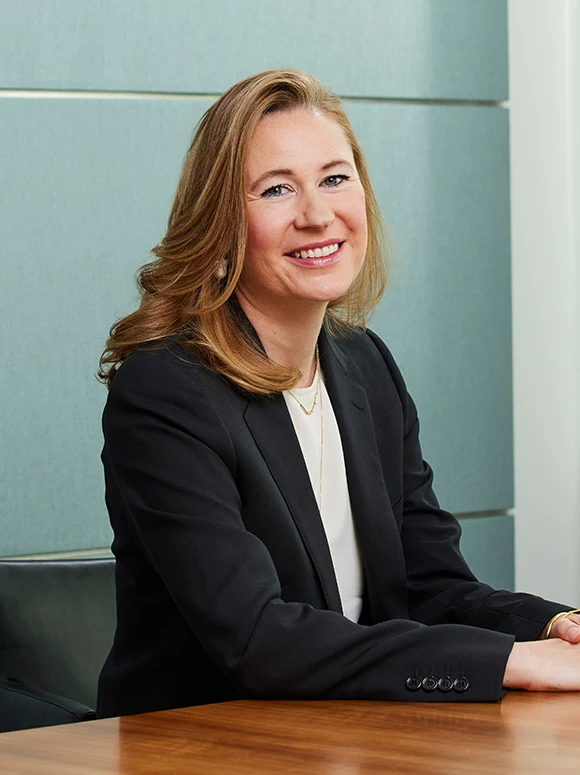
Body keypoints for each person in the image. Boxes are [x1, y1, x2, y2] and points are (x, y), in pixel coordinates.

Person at [97, 69, 580, 718]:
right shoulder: (163, 393)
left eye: (334, 177)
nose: (317, 213)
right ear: (222, 230)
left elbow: (431, 586)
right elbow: (259, 640)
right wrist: (512, 661)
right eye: (276, 189)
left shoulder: (365, 365)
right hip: (205, 746)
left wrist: (557, 627)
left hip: (350, 738)